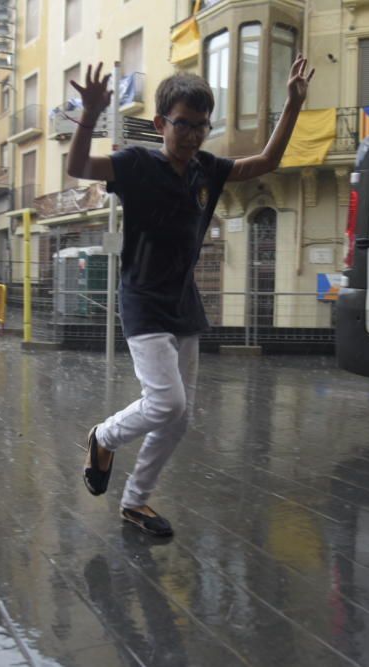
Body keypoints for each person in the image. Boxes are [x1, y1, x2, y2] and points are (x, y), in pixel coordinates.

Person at [68, 57, 314, 536]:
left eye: (203, 126)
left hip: (183, 302)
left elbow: (266, 162)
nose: (194, 135)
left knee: (180, 418)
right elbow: (78, 166)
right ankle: (103, 436)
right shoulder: (137, 164)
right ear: (161, 123)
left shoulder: (206, 169)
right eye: (184, 125)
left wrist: (292, 106)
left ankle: (136, 501)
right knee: (166, 404)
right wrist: (90, 115)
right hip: (142, 299)